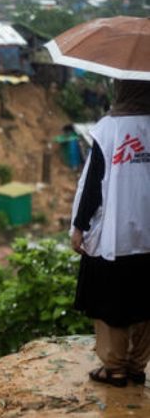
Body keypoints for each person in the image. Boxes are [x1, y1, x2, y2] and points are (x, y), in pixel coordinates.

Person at [71, 79, 150, 388]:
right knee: (146, 300)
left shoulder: (109, 129)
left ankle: (114, 367)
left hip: (116, 232)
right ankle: (136, 366)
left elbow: (93, 185)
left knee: (110, 300)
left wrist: (79, 226)